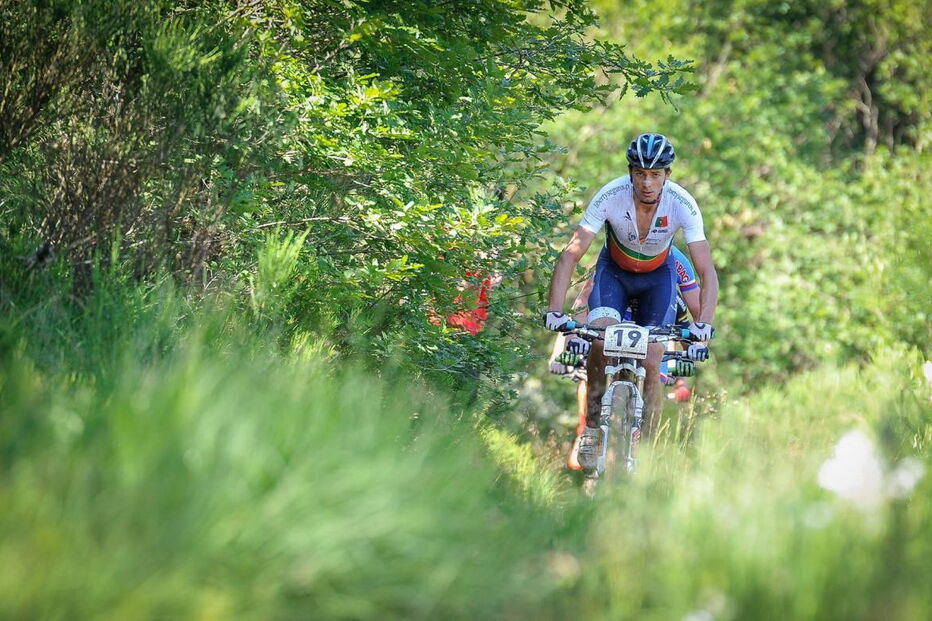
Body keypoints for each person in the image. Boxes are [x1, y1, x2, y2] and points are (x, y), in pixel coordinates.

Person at [543, 132, 719, 471]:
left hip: (658, 280)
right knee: (600, 341)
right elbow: (571, 256)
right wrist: (555, 312)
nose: (647, 182)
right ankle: (592, 427)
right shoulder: (610, 195)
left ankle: (648, 451)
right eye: (640, 173)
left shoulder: (682, 204)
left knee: (654, 358)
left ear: (667, 175)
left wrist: (704, 326)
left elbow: (706, 271)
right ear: (630, 173)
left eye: (655, 174)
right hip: (614, 276)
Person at [549, 246, 702, 470]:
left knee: (655, 370)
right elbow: (582, 305)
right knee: (592, 360)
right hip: (614, 321)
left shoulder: (676, 267)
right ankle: (588, 430)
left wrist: (694, 350)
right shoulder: (616, 252)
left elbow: (686, 323)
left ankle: (646, 449)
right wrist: (567, 343)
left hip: (652, 325)